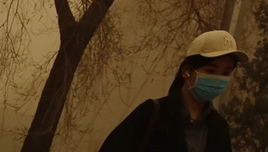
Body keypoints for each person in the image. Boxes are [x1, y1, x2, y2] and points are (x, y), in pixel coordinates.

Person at [98, 29, 247, 152]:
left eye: (226, 73)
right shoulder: (152, 114)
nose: (217, 79)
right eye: (210, 70)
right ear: (186, 71)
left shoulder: (219, 128)